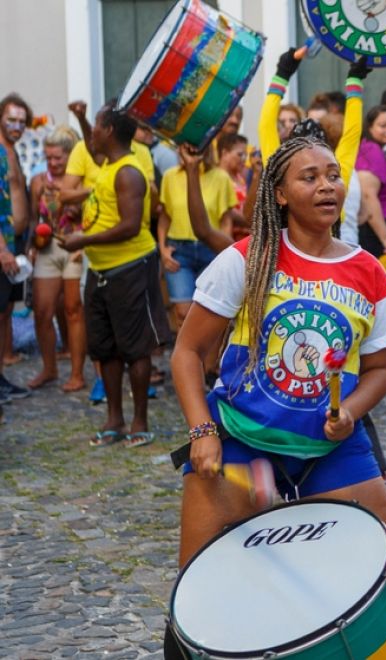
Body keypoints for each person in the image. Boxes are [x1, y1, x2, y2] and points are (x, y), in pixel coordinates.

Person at [165, 134, 386, 657]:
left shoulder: (370, 274)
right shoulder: (246, 260)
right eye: (310, 177)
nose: (327, 185)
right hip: (240, 442)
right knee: (195, 597)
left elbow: (379, 369)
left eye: (332, 174)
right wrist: (202, 432)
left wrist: (350, 412)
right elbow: (187, 354)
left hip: (331, 451)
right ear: (280, 193)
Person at [61, 103, 169, 447]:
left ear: (108, 131)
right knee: (104, 349)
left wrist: (84, 238)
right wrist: (81, 117)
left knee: (135, 349)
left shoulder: (129, 172)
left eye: (96, 125)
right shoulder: (105, 165)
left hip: (131, 268)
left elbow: (129, 226)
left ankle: (139, 422)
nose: (92, 132)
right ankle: (114, 420)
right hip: (101, 270)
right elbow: (91, 151)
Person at [27, 126, 86, 392]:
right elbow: (33, 218)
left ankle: (77, 373)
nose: (52, 162)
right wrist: (31, 244)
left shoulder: (80, 181)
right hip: (48, 248)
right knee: (42, 310)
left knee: (73, 310)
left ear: (70, 156)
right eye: (48, 157)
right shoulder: (38, 181)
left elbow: (89, 215)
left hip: (74, 245)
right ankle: (49, 368)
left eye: (58, 157)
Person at [158, 147, 238, 330]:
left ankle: (208, 360)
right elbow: (165, 217)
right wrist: (162, 249)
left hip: (211, 251)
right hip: (179, 251)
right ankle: (185, 357)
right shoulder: (170, 176)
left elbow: (226, 220)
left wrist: (224, 254)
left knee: (210, 317)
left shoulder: (221, 177)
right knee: (182, 313)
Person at [0, 96, 30, 403]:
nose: (17, 126)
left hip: (16, 242)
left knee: (6, 310)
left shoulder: (12, 151)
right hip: (3, 245)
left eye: (22, 121)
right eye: (11, 120)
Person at [355, 105, 386, 258]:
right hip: (375, 234)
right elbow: (368, 196)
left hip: (382, 229)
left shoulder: (374, 149)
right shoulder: (371, 150)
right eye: (383, 126)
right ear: (369, 127)